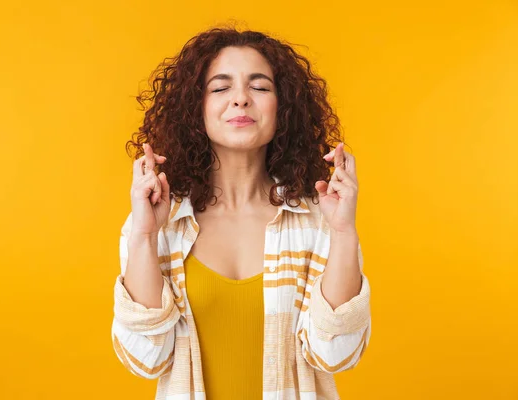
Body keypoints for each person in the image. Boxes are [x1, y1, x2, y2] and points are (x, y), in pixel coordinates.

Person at [111, 25, 371, 400]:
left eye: (260, 87)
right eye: (220, 87)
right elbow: (145, 359)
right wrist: (144, 236)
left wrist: (344, 233)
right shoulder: (157, 222)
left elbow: (335, 355)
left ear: (284, 107)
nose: (241, 99)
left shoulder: (320, 220)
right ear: (194, 107)